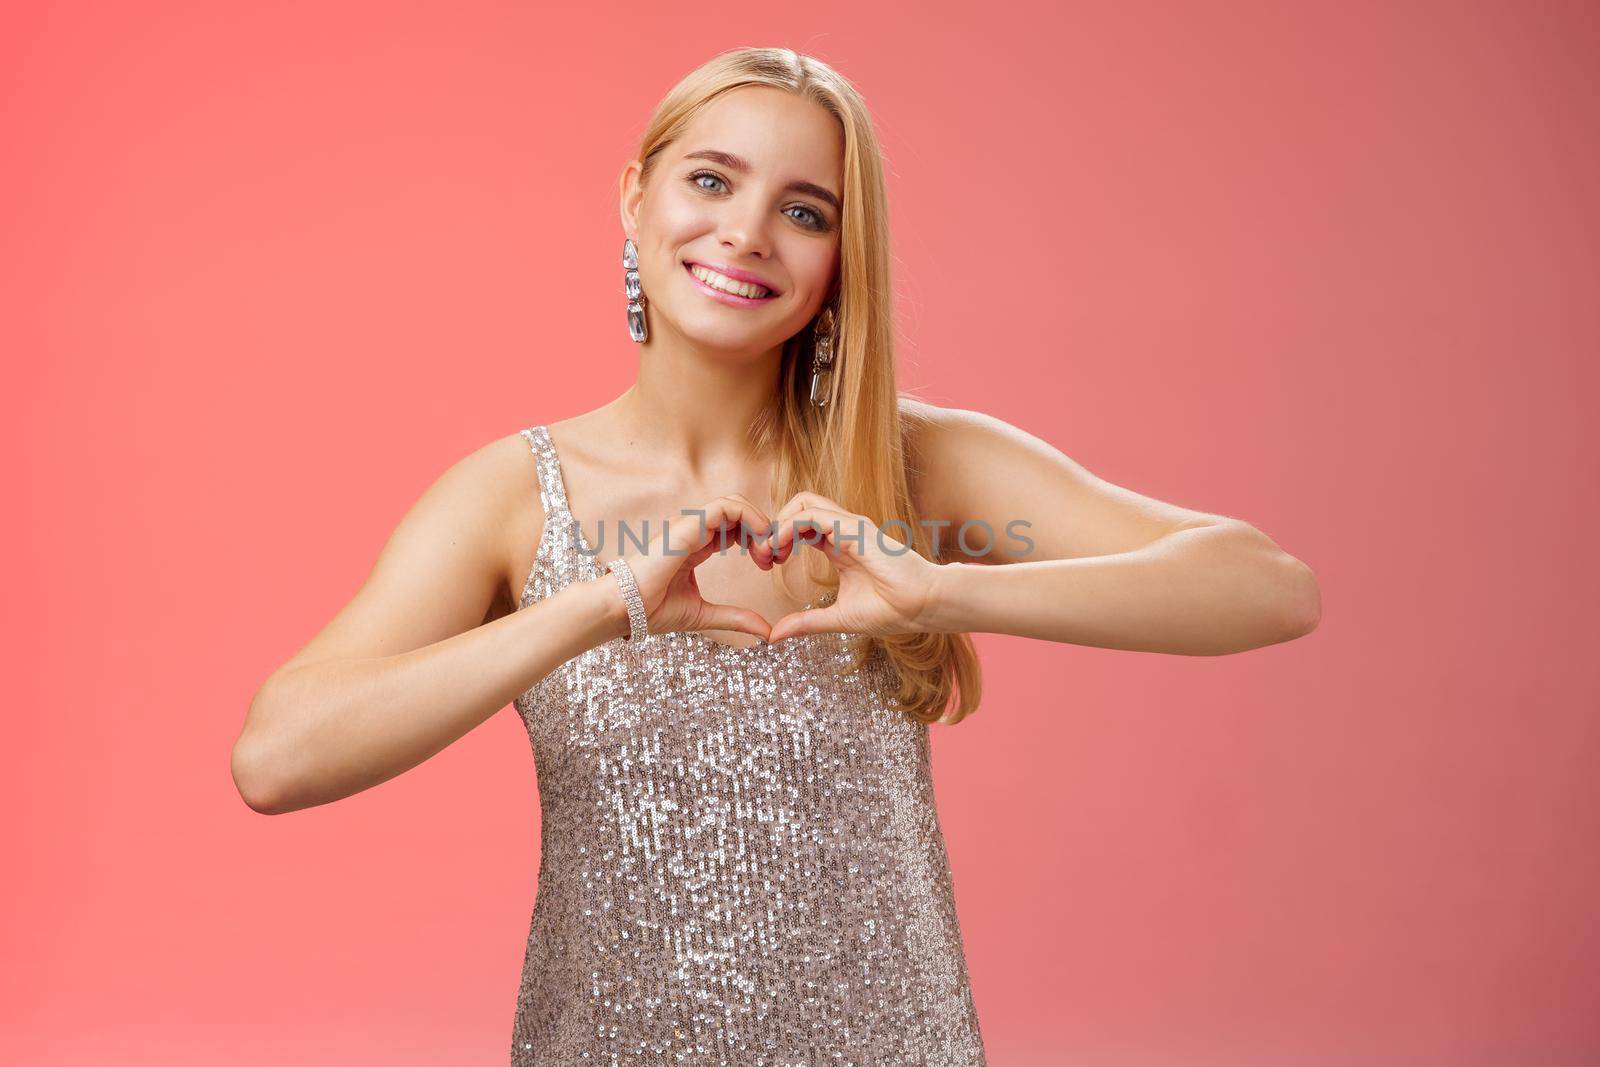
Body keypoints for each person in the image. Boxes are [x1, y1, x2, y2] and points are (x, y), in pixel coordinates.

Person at [231, 46, 1320, 1066]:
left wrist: (942, 585)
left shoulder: (916, 466)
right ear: (634, 197)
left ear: (841, 260)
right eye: (711, 181)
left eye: (803, 211)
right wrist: (600, 603)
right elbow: (278, 758)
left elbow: (1268, 587)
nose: (748, 232)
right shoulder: (516, 494)